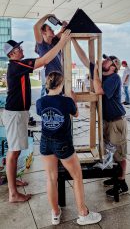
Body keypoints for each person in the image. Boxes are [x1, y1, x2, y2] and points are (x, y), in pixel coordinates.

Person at [2, 31, 70, 203]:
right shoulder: (16, 66)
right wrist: (61, 42)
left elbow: (43, 59)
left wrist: (59, 36)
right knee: (13, 152)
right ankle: (13, 193)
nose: (21, 49)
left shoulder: (19, 65)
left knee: (16, 151)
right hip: (15, 114)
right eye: (18, 48)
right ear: (12, 54)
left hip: (19, 113)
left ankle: (13, 181)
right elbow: (45, 60)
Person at [36, 71, 102, 226]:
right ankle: (83, 213)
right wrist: (73, 100)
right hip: (63, 143)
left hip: (45, 142)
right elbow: (76, 114)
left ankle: (55, 213)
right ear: (61, 84)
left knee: (51, 178)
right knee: (77, 176)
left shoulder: (40, 102)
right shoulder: (66, 102)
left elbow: (43, 114)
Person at [72, 39, 128, 198]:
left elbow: (99, 90)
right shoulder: (103, 76)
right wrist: (74, 41)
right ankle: (115, 176)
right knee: (110, 151)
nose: (104, 60)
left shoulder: (114, 79)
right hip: (107, 121)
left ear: (113, 67)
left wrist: (95, 71)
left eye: (108, 60)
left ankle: (122, 182)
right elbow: (85, 59)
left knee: (120, 153)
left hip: (116, 121)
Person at [33, 14, 67, 93]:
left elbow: (63, 31)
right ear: (43, 32)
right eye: (50, 29)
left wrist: (65, 26)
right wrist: (48, 15)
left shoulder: (55, 42)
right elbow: (36, 27)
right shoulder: (42, 45)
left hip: (60, 79)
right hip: (51, 82)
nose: (53, 30)